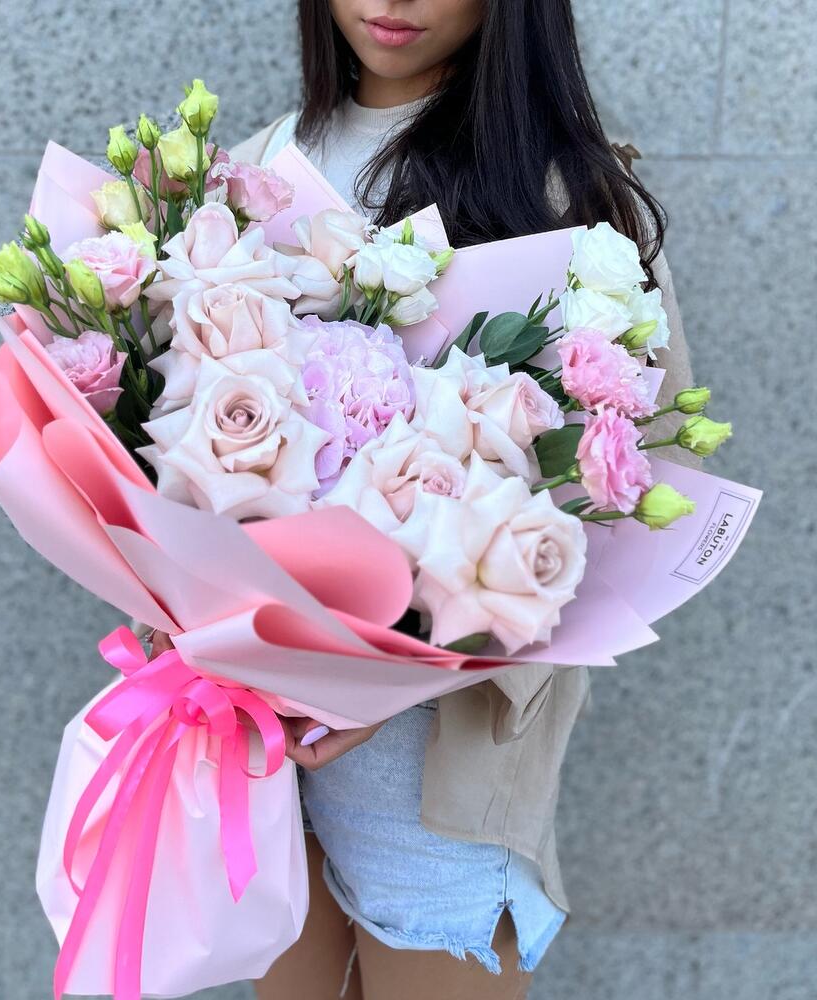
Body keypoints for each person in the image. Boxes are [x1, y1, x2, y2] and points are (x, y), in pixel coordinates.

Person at [153, 2, 697, 997]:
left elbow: (623, 485)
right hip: (262, 745)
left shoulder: (566, 198)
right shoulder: (258, 168)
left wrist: (384, 677)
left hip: (435, 769)